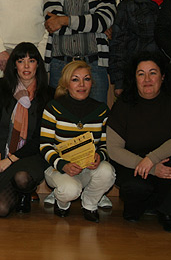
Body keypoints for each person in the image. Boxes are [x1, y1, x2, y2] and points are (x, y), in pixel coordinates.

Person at [107, 52, 171, 233]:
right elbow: (113, 150)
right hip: (133, 165)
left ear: (163, 76)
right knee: (135, 188)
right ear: (134, 78)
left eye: (153, 73)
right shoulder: (123, 105)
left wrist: (152, 159)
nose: (147, 79)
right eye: (141, 74)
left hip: (163, 160)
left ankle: (167, 212)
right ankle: (135, 208)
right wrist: (149, 167)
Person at [0, 42, 52, 217]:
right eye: (21, 61)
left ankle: (25, 192)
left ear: (38, 65)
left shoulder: (48, 94)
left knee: (22, 178)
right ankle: (13, 189)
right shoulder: (2, 87)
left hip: (31, 155)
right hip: (2, 152)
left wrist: (10, 160)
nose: (26, 66)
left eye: (31, 61)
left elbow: (41, 138)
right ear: (14, 65)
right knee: (1, 209)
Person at [40, 60, 116, 223]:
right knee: (69, 190)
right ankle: (62, 203)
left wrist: (100, 156)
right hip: (59, 168)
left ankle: (90, 204)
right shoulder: (53, 108)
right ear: (66, 84)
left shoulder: (101, 110)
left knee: (107, 172)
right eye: (75, 79)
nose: (82, 84)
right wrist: (63, 165)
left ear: (92, 83)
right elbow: (45, 146)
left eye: (86, 79)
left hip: (88, 167)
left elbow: (105, 145)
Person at [43, 0, 116, 104]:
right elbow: (54, 26)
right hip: (60, 65)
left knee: (96, 115)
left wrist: (64, 20)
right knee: (59, 115)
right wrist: (92, 24)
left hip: (94, 65)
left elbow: (102, 21)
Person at [109, 0, 171, 97]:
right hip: (135, 76)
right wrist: (119, 82)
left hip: (169, 75)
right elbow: (118, 45)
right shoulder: (128, 5)